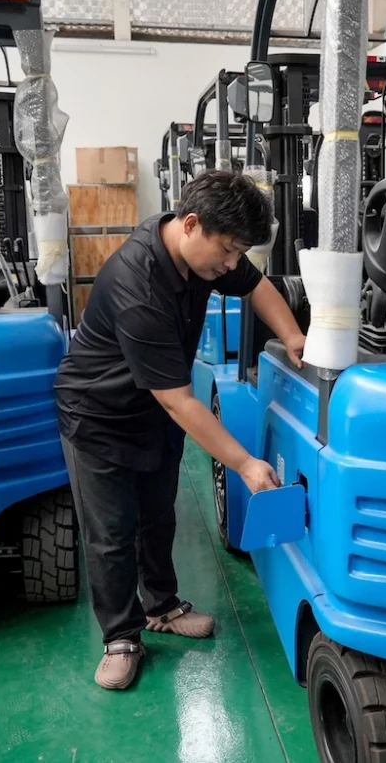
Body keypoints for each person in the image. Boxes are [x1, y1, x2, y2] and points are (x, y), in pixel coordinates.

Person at [53, 169, 307, 691]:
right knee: (111, 534)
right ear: (191, 224)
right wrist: (244, 464)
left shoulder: (204, 254)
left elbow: (256, 285)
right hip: (100, 414)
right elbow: (178, 400)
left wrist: (294, 336)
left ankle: (162, 607)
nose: (232, 264)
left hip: (154, 407)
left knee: (158, 516)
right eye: (229, 251)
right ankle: (120, 637)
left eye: (239, 252)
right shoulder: (138, 283)